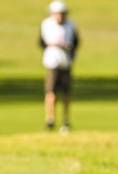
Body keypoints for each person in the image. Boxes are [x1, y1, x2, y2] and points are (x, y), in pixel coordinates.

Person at [39, 1, 79, 133]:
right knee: (51, 93)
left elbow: (76, 43)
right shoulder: (46, 24)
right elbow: (41, 42)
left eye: (62, 13)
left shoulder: (71, 25)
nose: (60, 16)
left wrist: (70, 53)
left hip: (66, 62)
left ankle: (66, 121)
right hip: (52, 62)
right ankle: (50, 119)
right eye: (58, 13)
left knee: (66, 94)